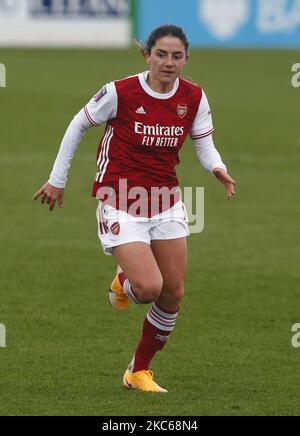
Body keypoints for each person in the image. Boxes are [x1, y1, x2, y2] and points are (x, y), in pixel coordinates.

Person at [33, 24, 236, 393]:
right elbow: (78, 124)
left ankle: (137, 371)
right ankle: (126, 280)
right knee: (148, 288)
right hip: (119, 199)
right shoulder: (121, 91)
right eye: (161, 54)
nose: (169, 62)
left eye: (177, 56)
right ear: (147, 55)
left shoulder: (194, 97)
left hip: (166, 201)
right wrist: (57, 179)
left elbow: (204, 145)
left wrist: (217, 168)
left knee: (172, 292)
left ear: (186, 59)